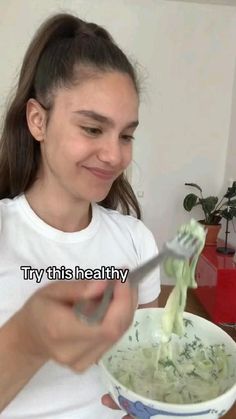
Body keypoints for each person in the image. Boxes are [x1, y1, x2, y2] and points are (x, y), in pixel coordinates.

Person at [0, 12, 160, 419]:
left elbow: (144, 371)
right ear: (38, 120)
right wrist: (28, 338)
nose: (115, 155)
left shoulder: (136, 241)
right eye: (92, 129)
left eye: (126, 135)